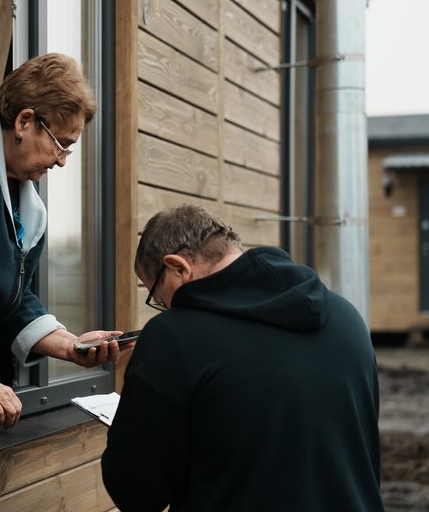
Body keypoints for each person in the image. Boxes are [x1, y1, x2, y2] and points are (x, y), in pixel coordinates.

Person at [101, 204, 383, 512]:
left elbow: (137, 491)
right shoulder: (347, 318)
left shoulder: (173, 337)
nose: (164, 307)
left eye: (157, 296)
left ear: (178, 267)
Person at [0, 53, 129, 430]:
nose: (61, 162)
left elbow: (12, 298)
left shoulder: (28, 205)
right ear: (25, 121)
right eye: (61, 144)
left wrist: (71, 347)